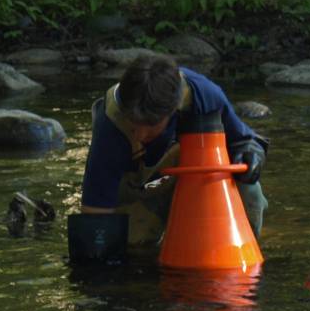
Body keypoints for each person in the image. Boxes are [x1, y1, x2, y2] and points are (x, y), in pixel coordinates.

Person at [79, 53, 267, 248]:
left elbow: (244, 141)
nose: (141, 134)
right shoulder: (109, 126)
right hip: (137, 190)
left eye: (151, 124)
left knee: (249, 189)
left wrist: (252, 156)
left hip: (195, 180)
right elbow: (96, 212)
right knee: (133, 248)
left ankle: (243, 247)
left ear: (172, 111)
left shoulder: (202, 95)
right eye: (134, 125)